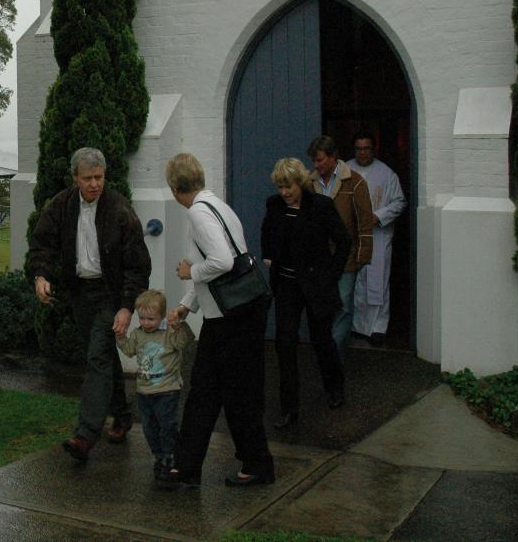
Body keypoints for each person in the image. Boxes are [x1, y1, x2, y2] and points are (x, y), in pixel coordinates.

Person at [28, 147, 152, 464]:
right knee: (103, 356)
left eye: (99, 177)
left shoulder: (120, 211)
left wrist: (127, 306)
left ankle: (85, 435)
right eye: (88, 178)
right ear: (75, 178)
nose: (95, 184)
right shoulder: (61, 206)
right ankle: (122, 416)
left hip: (110, 293)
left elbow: (138, 266)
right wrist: (40, 275)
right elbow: (42, 243)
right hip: (80, 293)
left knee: (97, 355)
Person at [165, 153, 275, 489]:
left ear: (174, 187)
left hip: (232, 318)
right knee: (206, 392)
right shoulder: (217, 205)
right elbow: (224, 262)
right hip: (232, 314)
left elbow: (222, 262)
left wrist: (189, 272)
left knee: (232, 393)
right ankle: (186, 466)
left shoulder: (198, 213)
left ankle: (257, 465)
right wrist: (187, 303)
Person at [262, 158, 351, 427]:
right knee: (285, 343)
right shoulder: (274, 206)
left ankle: (334, 388)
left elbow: (344, 241)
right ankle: (289, 408)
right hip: (288, 283)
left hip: (315, 284)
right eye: (280, 187)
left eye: (288, 186)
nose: (284, 193)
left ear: (300, 183)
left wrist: (331, 274)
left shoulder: (321, 206)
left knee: (321, 338)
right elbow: (267, 233)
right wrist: (270, 256)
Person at [116, 289, 195, 489]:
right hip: (144, 391)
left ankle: (169, 457)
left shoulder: (169, 334)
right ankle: (159, 456)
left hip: (167, 390)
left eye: (151, 318)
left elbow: (187, 340)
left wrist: (178, 325)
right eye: (142, 318)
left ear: (161, 316)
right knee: (150, 428)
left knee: (167, 425)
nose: (145, 323)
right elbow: (128, 350)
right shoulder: (138, 334)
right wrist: (120, 337)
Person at [306, 134, 373, 359]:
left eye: (320, 160)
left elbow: (364, 221)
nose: (316, 165)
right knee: (323, 306)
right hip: (318, 257)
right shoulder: (309, 183)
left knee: (343, 305)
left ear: (333, 157)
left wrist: (363, 254)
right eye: (314, 161)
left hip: (346, 256)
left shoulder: (354, 182)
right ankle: (328, 353)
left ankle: (333, 357)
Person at [347, 131, 407, 347]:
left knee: (377, 282)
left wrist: (377, 216)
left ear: (374, 149)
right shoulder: (345, 170)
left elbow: (399, 202)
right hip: (352, 235)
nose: (363, 152)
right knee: (355, 282)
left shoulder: (386, 174)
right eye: (359, 148)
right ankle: (355, 326)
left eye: (367, 148)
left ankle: (377, 328)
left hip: (378, 236)